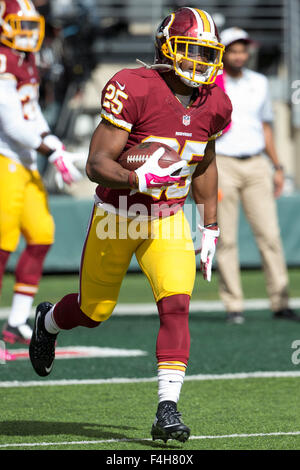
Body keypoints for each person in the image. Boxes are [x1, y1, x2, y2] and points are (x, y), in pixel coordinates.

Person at [29, 7, 232, 443]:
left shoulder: (215, 101)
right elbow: (96, 163)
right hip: (118, 216)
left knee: (176, 306)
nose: (199, 61)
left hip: (168, 218)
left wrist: (210, 226)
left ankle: (167, 408)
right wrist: (136, 176)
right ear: (165, 47)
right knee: (93, 310)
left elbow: (205, 165)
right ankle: (48, 322)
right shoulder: (133, 86)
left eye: (206, 52)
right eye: (191, 49)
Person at [0, 0, 82, 347]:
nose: (29, 34)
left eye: (33, 26)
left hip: (26, 162)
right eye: (22, 26)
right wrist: (50, 150)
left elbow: (31, 113)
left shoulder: (27, 59)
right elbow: (11, 123)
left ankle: (17, 320)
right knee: (2, 245)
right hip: (5, 160)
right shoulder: (3, 59)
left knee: (41, 234)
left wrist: (53, 142)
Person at [215, 27, 299, 324]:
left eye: (243, 49)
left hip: (255, 164)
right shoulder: (211, 83)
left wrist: (276, 166)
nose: (239, 55)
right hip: (222, 163)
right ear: (223, 52)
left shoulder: (260, 83)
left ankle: (280, 301)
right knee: (225, 239)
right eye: (233, 50)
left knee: (271, 235)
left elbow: (266, 128)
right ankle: (233, 305)